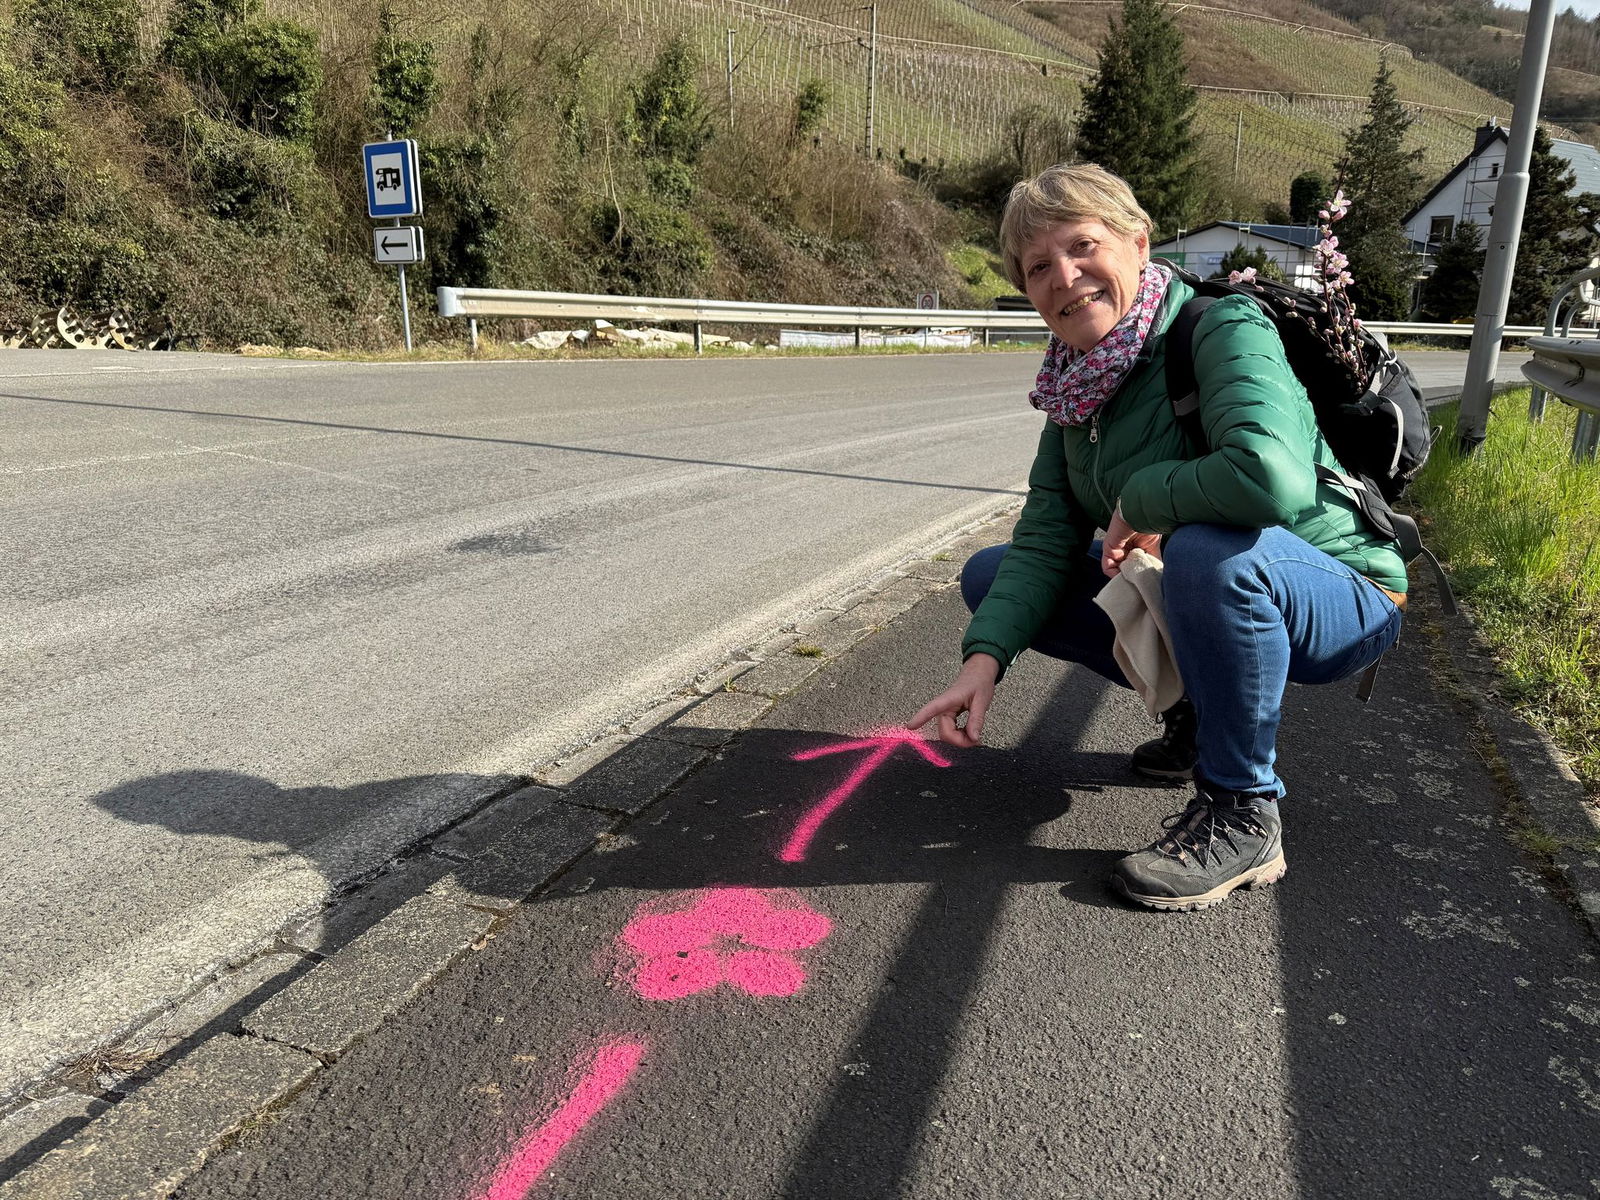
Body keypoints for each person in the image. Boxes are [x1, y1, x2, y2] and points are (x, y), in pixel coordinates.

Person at [907, 163, 1407, 912]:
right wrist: (983, 663)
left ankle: (1243, 811)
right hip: (1217, 584)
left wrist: (1141, 498)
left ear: (1139, 244)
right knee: (991, 573)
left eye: (1083, 246)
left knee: (1205, 549)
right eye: (1038, 266)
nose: (1065, 277)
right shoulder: (1075, 390)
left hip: (1343, 587)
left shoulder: (1220, 326)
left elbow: (1271, 479)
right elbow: (1044, 542)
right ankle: (1199, 717)